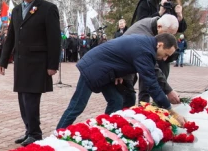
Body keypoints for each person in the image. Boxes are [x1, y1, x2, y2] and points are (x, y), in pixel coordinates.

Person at [57, 33, 187, 129]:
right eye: (166, 54)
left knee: (116, 101)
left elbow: (123, 55)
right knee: (77, 106)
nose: (164, 59)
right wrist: (171, 111)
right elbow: (151, 83)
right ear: (160, 44)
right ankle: (57, 135)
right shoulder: (145, 50)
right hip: (93, 68)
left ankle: (105, 131)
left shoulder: (146, 44)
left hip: (105, 70)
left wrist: (119, 71)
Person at [0, 0, 61, 146]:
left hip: (38, 63)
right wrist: (3, 61)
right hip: (21, 63)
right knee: (22, 99)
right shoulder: (17, 10)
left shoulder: (48, 8)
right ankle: (29, 131)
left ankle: (35, 133)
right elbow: (11, 37)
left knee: (31, 100)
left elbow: (54, 39)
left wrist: (52, 65)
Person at [123, 14, 181, 105]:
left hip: (126, 65)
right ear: (159, 27)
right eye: (167, 34)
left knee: (126, 98)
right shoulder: (145, 36)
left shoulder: (152, 26)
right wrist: (169, 91)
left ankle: (142, 112)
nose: (168, 38)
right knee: (121, 99)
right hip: (119, 66)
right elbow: (152, 68)